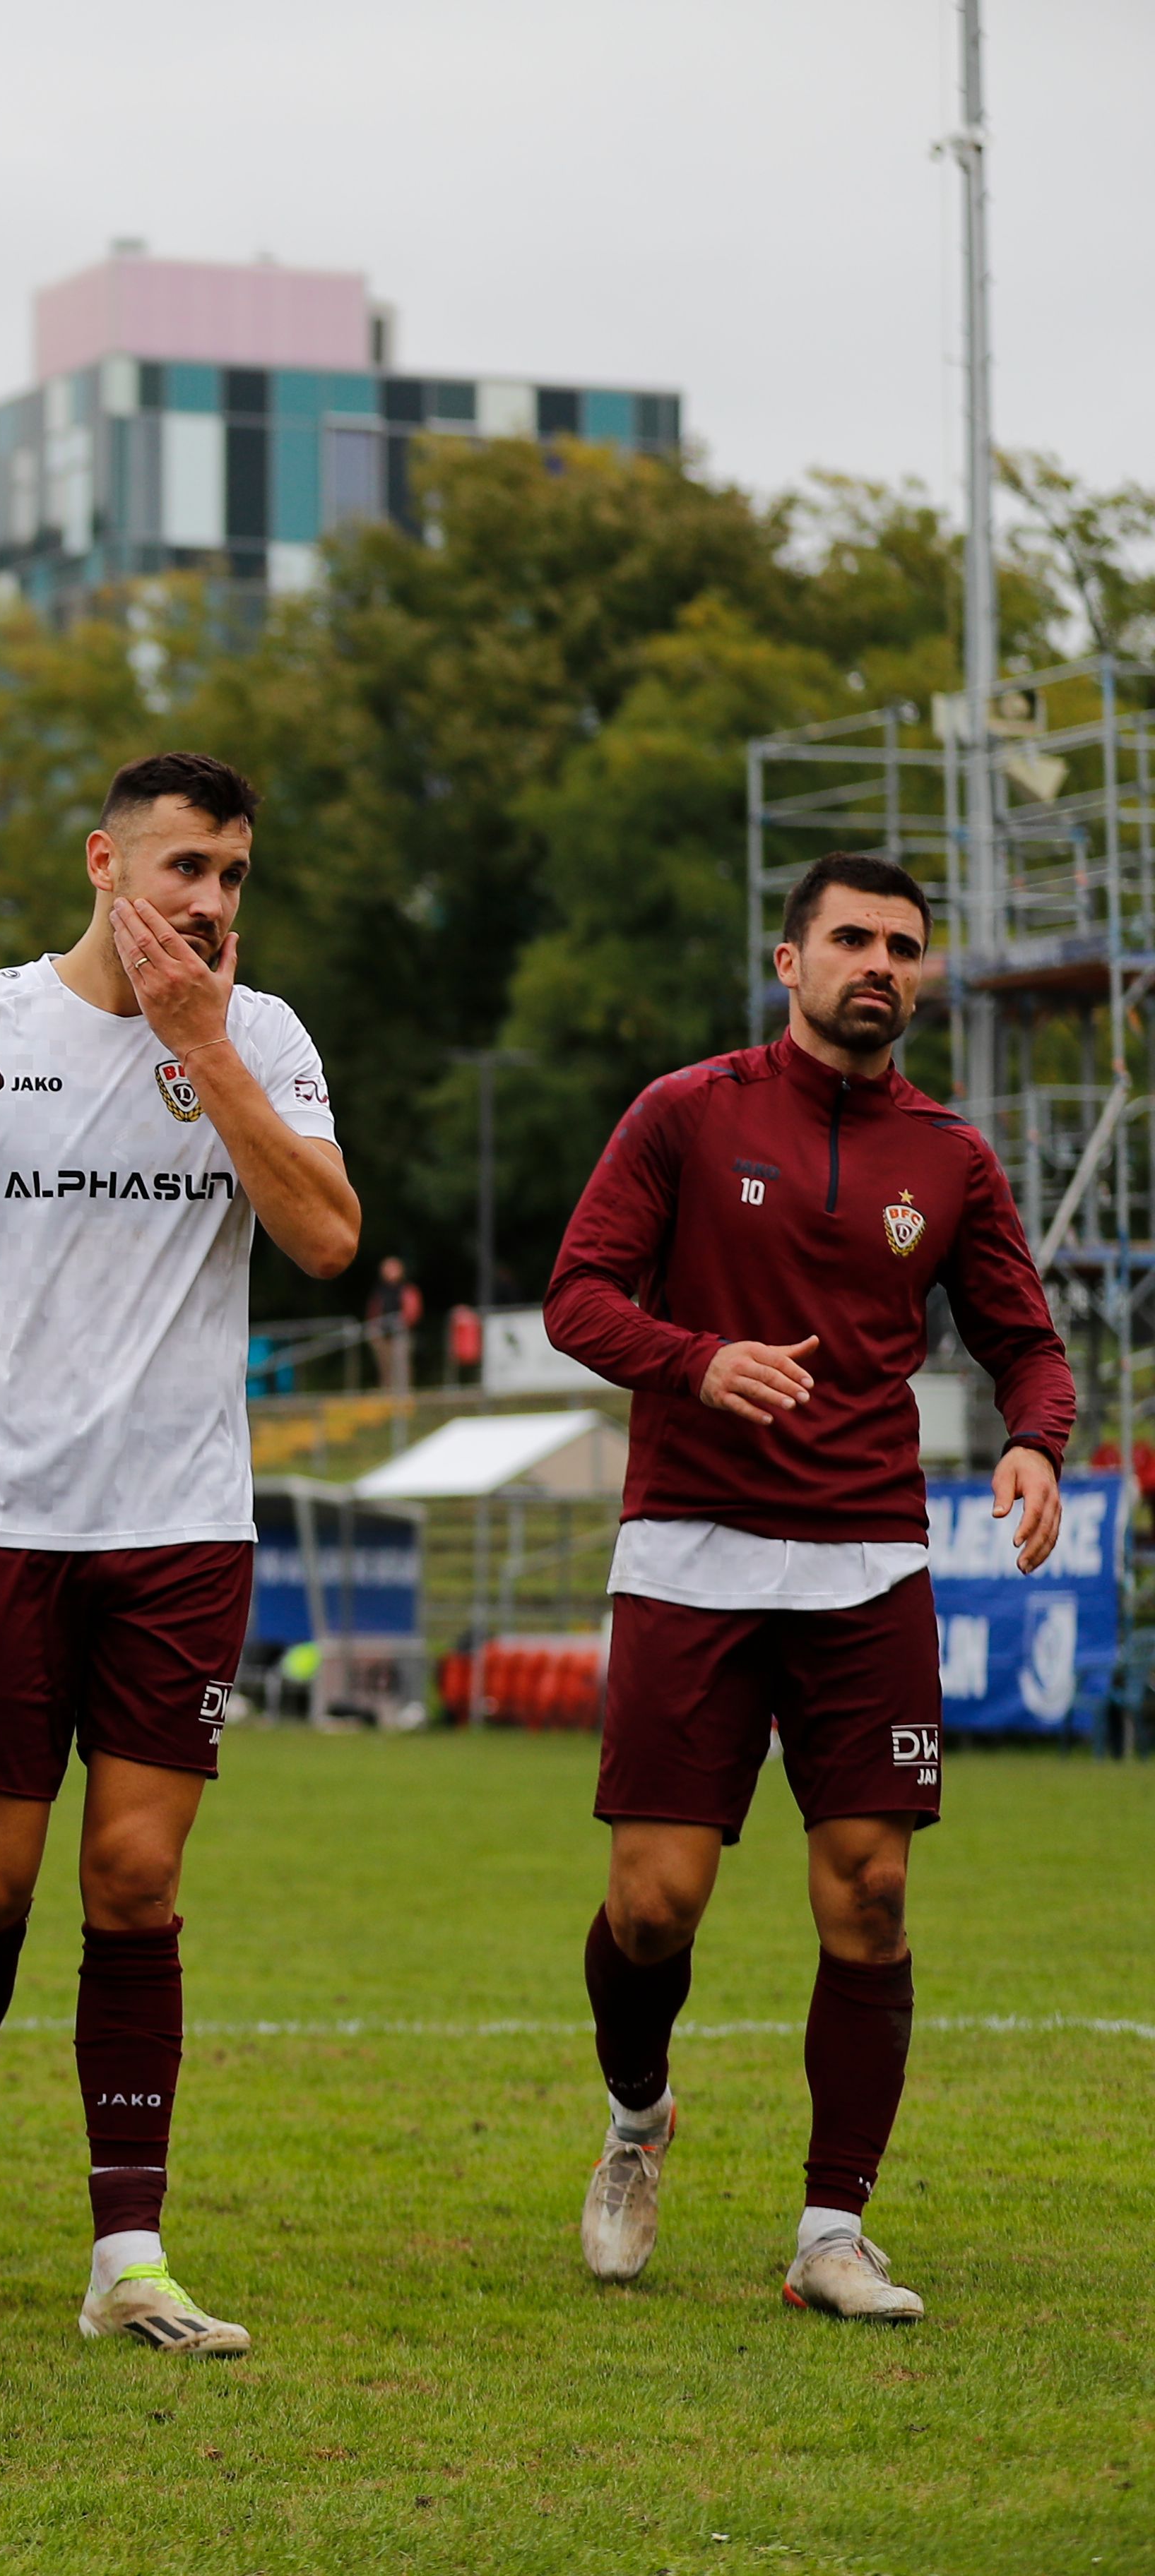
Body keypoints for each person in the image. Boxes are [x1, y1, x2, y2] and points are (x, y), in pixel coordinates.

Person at [0, 753, 357, 2358]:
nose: (207, 902)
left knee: (132, 1882)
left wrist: (202, 1042)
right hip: (0, 1525)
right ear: (101, 862)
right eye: (181, 871)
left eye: (229, 873)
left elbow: (324, 1237)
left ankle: (125, 2251)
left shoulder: (256, 1035)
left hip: (178, 1529)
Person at [544, 849, 1070, 2324]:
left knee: (875, 1896)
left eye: (904, 946)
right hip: (691, 1552)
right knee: (654, 1910)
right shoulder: (685, 1113)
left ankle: (832, 2232)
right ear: (791, 962)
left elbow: (1024, 1343)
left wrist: (1035, 1444)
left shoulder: (953, 1159)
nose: (879, 965)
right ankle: (639, 2120)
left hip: (869, 1563)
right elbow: (578, 1296)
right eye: (852, 939)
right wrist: (696, 1361)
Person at [364, 1253, 420, 1400]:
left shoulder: (407, 1289)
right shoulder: (380, 1291)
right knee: (385, 1366)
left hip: (400, 1332)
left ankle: (403, 1396)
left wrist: (404, 1321)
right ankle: (387, 1394)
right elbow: (374, 1312)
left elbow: (413, 1311)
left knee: (401, 1364)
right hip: (383, 1334)